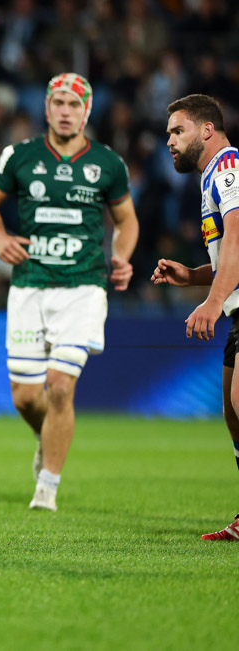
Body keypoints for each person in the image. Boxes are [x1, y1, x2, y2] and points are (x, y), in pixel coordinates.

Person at [0, 73, 139, 511]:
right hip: (29, 286)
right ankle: (47, 439)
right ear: (47, 108)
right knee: (26, 396)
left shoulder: (108, 163)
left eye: (74, 104)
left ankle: (47, 488)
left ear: (87, 110)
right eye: (58, 103)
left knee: (60, 387)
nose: (66, 111)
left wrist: (121, 255)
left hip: (83, 286)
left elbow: (127, 220)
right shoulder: (20, 156)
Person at [152, 94, 239, 540]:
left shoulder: (228, 168)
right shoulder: (209, 180)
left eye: (177, 131)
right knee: (232, 413)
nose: (169, 140)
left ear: (206, 129)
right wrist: (192, 276)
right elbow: (227, 258)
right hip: (237, 308)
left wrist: (210, 303)